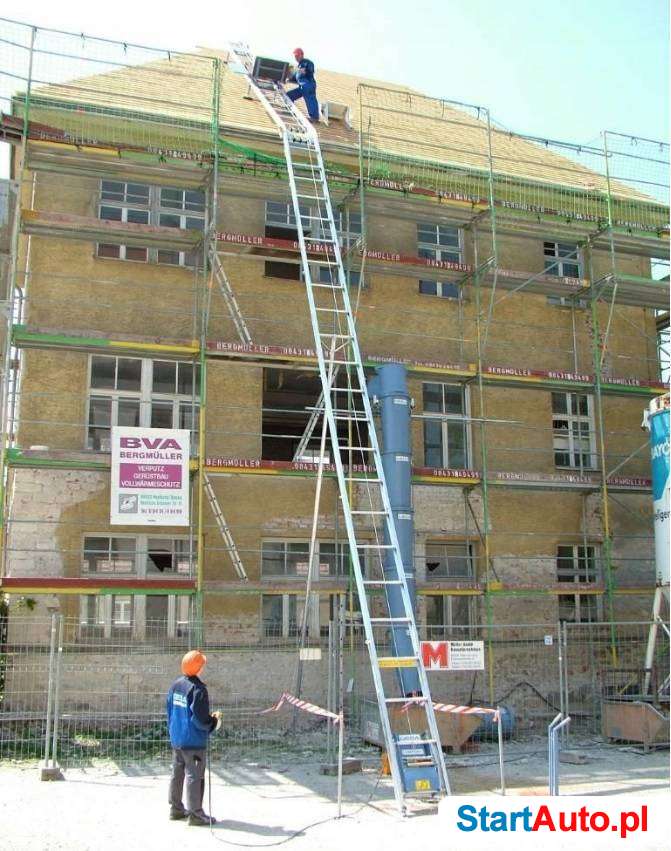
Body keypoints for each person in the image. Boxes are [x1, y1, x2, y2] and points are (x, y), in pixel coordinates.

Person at [166, 649, 222, 827]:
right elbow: (199, 718)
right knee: (194, 776)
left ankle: (176, 809)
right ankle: (196, 814)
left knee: (177, 773)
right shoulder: (198, 689)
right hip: (193, 741)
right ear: (198, 668)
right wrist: (213, 722)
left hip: (177, 738)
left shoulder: (175, 685)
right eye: (202, 664)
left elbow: (170, 710)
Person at [284, 47, 320, 122]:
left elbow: (307, 71)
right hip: (302, 87)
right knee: (289, 95)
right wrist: (288, 77)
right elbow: (294, 78)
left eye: (297, 55)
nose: (296, 57)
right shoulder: (298, 68)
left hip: (308, 85)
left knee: (310, 99)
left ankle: (314, 117)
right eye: (295, 56)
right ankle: (288, 110)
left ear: (302, 55)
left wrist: (298, 70)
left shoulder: (307, 62)